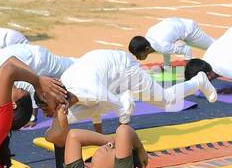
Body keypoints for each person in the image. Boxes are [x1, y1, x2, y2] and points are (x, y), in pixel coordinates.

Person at [60, 49, 217, 126]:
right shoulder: (64, 86)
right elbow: (94, 108)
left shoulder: (91, 91)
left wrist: (118, 144)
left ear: (64, 101)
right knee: (65, 118)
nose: (46, 113)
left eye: (47, 109)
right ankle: (125, 94)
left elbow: (121, 112)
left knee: (166, 100)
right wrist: (100, 136)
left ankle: (199, 80)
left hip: (125, 69)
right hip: (109, 71)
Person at [129, 17, 216, 75]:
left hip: (189, 30)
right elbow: (166, 49)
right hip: (177, 31)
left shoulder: (161, 46)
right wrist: (166, 67)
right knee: (169, 47)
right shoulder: (149, 39)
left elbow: (187, 50)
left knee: (214, 46)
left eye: (138, 55)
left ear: (147, 49)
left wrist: (188, 71)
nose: (137, 58)